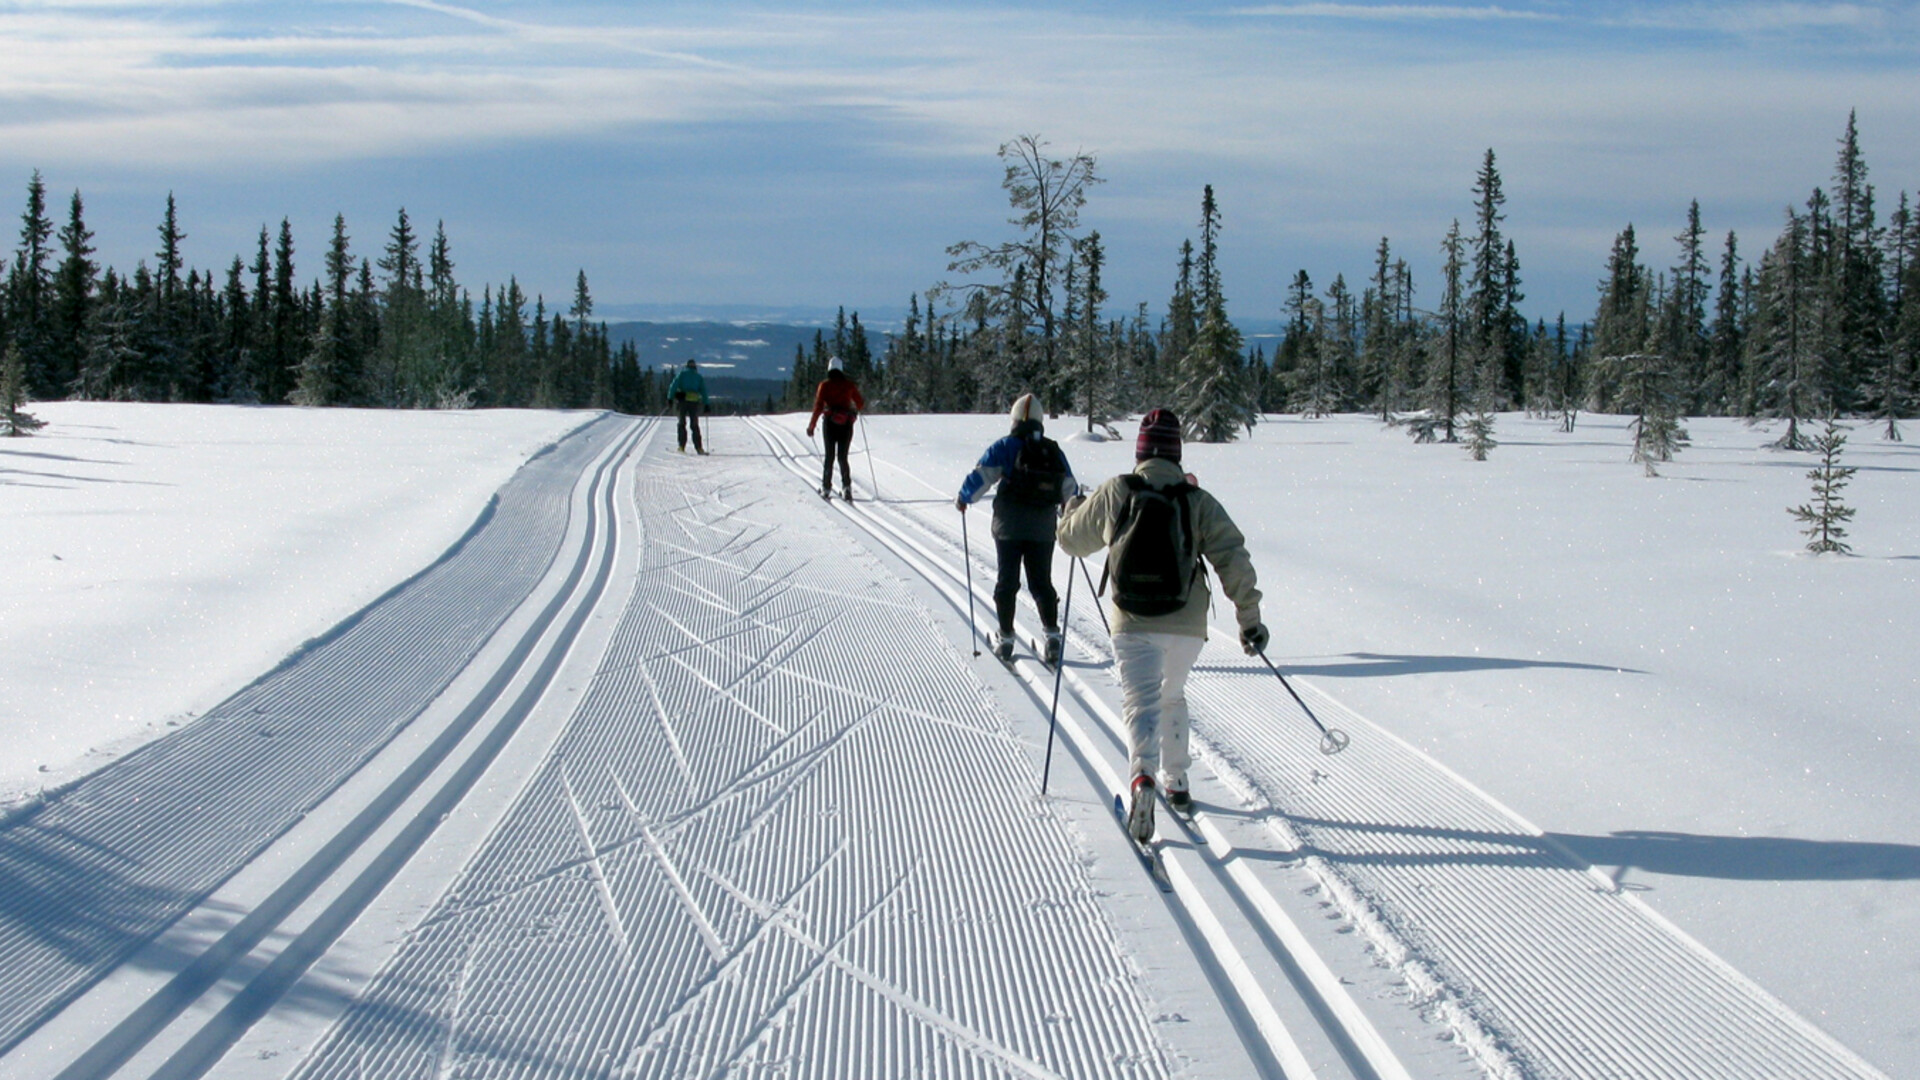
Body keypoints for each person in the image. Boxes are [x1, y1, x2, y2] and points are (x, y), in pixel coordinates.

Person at [1056, 408, 1268, 843]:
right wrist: (1250, 620)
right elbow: (1233, 557)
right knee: (1171, 695)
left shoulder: (1119, 489)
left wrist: (1073, 508)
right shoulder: (1197, 499)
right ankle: (1177, 781)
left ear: (1140, 450)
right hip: (1186, 624)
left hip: (1132, 619)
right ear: (1176, 451)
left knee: (1140, 702)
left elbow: (1071, 542)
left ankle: (1143, 779)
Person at [955, 394, 1077, 665]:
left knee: (1007, 582)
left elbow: (982, 476)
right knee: (1041, 582)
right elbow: (1070, 489)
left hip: (1008, 527)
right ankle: (1052, 636)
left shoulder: (1005, 446)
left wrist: (964, 498)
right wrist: (1073, 518)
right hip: (1043, 528)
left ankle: (1006, 638)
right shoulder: (1053, 450)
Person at [806, 356, 866, 500]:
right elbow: (860, 403)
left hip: (830, 423)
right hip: (846, 424)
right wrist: (853, 410)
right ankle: (847, 488)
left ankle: (826, 488)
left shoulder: (824, 385)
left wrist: (812, 425)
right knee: (842, 457)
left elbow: (818, 406)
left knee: (829, 457)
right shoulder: (849, 385)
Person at [668, 359, 707, 454]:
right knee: (694, 425)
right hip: (694, 402)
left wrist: (670, 398)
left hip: (682, 402)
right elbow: (703, 391)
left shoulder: (682, 374)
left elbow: (673, 386)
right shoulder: (698, 377)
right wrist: (706, 403)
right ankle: (699, 448)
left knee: (682, 423)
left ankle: (681, 446)